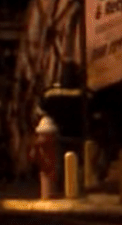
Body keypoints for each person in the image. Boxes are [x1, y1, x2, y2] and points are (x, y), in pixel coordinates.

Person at [38, 61, 88, 189]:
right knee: (77, 161)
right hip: (78, 132)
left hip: (59, 132)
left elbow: (41, 108)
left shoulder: (52, 93)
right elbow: (93, 109)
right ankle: (74, 186)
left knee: (60, 160)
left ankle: (60, 185)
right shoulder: (83, 93)